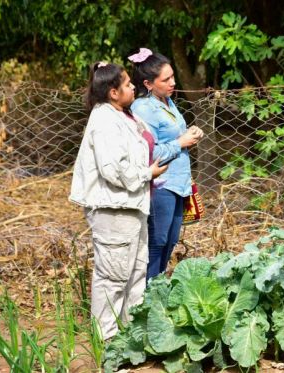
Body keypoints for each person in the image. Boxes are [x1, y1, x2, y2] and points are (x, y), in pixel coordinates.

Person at [69, 61, 168, 340]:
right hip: (114, 209)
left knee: (135, 272)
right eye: (126, 84)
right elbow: (111, 169)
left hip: (132, 205)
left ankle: (129, 338)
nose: (132, 86)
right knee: (113, 277)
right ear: (113, 92)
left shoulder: (123, 115)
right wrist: (148, 173)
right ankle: (107, 341)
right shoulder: (104, 120)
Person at [128, 48, 203, 282]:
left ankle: (157, 290)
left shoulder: (168, 101)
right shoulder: (142, 108)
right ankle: (145, 295)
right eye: (166, 79)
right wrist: (181, 142)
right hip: (162, 183)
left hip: (179, 183)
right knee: (157, 241)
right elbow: (148, 152)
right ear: (148, 84)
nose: (173, 82)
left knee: (170, 242)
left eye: (172, 76)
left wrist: (191, 133)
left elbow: (173, 136)